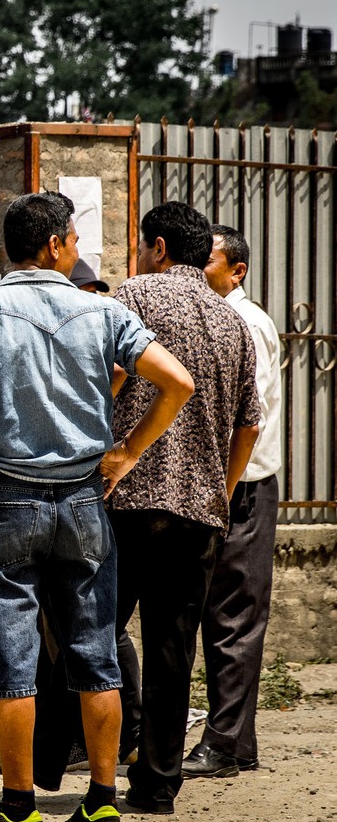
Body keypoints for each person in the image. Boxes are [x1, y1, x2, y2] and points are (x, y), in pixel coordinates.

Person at [0, 192, 193, 822]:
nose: (76, 248)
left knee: (14, 660)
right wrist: (127, 451)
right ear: (54, 245)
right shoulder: (102, 310)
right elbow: (176, 380)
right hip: (82, 499)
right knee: (95, 651)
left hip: (6, 499)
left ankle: (19, 811)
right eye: (73, 238)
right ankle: (101, 806)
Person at [109, 202, 262, 814]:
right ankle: (157, 784)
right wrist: (220, 493)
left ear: (160, 247)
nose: (140, 254)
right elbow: (249, 425)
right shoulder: (234, 323)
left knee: (91, 632)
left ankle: (83, 756)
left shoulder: (135, 294)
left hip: (128, 497)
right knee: (174, 647)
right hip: (199, 511)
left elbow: (112, 376)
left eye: (143, 244)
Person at [184, 225, 283, 779]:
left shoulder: (246, 321)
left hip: (242, 484)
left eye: (210, 261)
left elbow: (250, 416)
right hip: (226, 482)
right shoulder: (221, 319)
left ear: (237, 270)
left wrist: (221, 487)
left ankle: (224, 742)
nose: (199, 269)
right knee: (221, 614)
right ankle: (235, 741)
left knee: (234, 617)